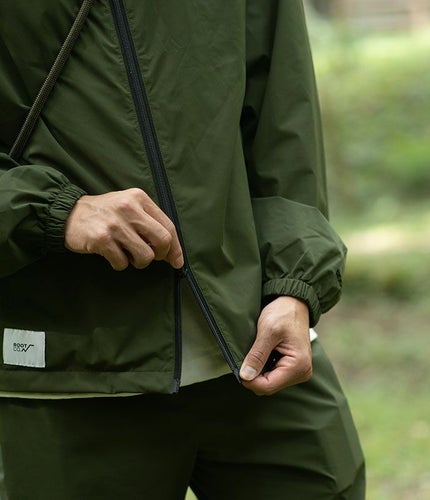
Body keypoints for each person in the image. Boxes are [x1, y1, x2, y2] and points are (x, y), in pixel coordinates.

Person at [0, 1, 365, 498]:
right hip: (65, 369)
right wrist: (53, 210)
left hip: (252, 342)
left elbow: (282, 113)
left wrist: (293, 285)